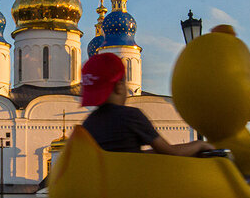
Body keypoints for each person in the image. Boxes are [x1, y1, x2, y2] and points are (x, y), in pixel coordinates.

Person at [79, 53, 214, 156]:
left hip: (104, 189)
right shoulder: (131, 117)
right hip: (132, 188)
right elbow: (169, 151)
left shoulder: (88, 125)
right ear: (119, 86)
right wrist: (199, 145)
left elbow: (128, 155)